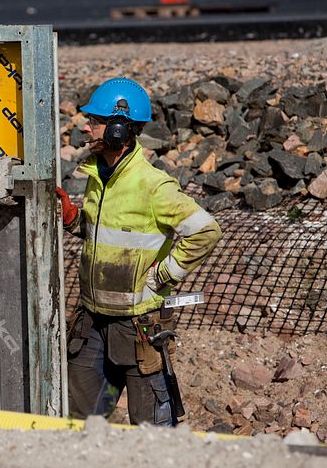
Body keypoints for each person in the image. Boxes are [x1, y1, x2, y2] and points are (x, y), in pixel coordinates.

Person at [56, 77, 222, 425]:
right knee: (79, 423)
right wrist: (73, 219)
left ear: (119, 130)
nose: (86, 128)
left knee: (151, 428)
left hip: (137, 327)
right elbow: (105, 235)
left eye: (96, 122)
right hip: (92, 321)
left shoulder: (152, 185)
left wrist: (164, 275)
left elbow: (206, 230)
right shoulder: (97, 176)